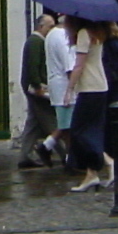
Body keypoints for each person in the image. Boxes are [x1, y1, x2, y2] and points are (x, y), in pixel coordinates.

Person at [63, 17, 112, 192]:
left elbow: (79, 66)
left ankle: (105, 163)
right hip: (100, 85)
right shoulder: (98, 32)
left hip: (89, 87)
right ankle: (93, 173)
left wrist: (69, 88)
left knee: (78, 131)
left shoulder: (84, 34)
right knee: (92, 129)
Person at [16, 14, 62, 168]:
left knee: (33, 123)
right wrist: (37, 86)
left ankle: (25, 155)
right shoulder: (35, 42)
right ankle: (65, 154)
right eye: (50, 26)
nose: (52, 29)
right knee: (51, 121)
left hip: (35, 87)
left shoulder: (37, 41)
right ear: (41, 27)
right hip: (37, 88)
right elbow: (33, 66)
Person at [40, 10, 76, 168]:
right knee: (68, 125)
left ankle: (49, 147)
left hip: (57, 83)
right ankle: (67, 158)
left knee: (66, 124)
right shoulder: (62, 36)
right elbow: (68, 64)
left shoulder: (52, 34)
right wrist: (73, 87)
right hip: (64, 85)